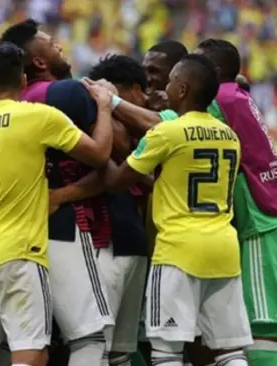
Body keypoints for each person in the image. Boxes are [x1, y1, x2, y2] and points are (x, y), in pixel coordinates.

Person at [0, 41, 113, 366]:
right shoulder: (39, 117)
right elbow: (99, 154)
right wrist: (105, 107)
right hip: (19, 253)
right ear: (24, 81)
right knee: (31, 351)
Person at [94, 54, 252, 366]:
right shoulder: (229, 136)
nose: (165, 86)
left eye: (171, 81)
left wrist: (100, 134)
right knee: (230, 352)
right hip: (223, 250)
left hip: (178, 251)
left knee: (167, 352)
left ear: (182, 90)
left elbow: (114, 181)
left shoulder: (167, 133)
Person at [0, 20, 115, 366]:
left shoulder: (3, 109)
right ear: (38, 62)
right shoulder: (64, 94)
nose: (60, 46)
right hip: (64, 225)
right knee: (90, 338)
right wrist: (107, 106)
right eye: (51, 43)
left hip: (6, 233)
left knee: (22, 343)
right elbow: (109, 157)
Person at [195, 38, 277, 366]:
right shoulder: (234, 94)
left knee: (263, 323)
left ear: (213, 72)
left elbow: (174, 122)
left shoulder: (217, 98)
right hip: (266, 212)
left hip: (259, 219)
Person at [87, 54, 151, 366]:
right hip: (105, 242)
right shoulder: (96, 120)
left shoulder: (152, 128)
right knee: (97, 345)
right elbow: (112, 172)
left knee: (120, 351)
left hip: (132, 242)